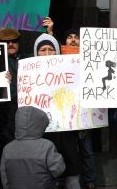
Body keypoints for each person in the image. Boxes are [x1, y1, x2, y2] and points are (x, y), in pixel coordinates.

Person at [34, 33, 81, 189]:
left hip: (66, 133)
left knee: (72, 175)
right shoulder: (29, 74)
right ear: (36, 52)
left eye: (51, 49)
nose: (47, 54)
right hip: (42, 136)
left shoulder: (70, 71)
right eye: (43, 50)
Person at [62, 28, 97, 189]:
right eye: (69, 37)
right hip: (63, 113)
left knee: (87, 149)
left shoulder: (89, 60)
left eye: (76, 37)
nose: (73, 40)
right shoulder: (57, 60)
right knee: (67, 149)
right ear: (64, 42)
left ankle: (90, 181)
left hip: (84, 113)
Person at [0, 106, 65, 189]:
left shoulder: (7, 149)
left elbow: (5, 179)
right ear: (40, 124)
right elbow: (58, 170)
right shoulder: (47, 146)